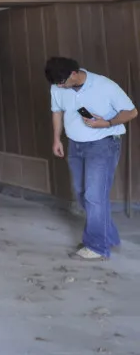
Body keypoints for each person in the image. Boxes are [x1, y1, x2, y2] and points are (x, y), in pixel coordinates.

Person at [46, 56, 137, 260]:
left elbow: (131, 112)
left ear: (74, 74)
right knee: (81, 193)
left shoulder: (104, 85)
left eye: (63, 83)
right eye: (57, 84)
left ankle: (96, 247)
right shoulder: (57, 87)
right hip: (75, 145)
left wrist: (107, 123)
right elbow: (57, 112)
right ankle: (108, 236)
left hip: (103, 144)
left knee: (94, 196)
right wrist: (56, 139)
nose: (60, 87)